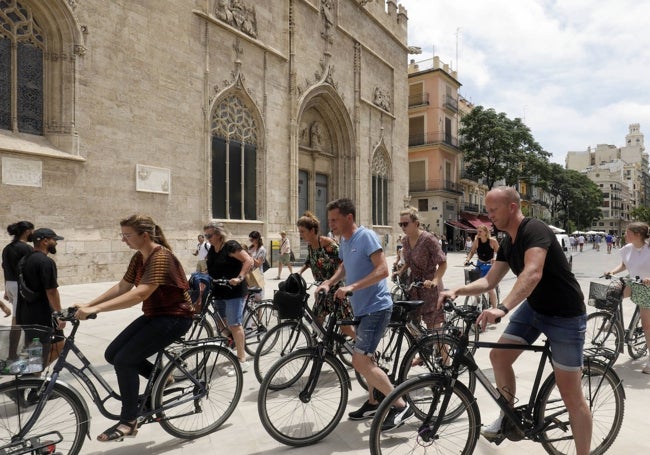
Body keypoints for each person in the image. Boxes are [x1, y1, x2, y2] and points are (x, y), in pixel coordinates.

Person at [439, 187, 591, 455]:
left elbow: (533, 273)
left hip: (565, 315)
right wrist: (457, 290)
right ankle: (508, 417)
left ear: (511, 207)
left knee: (571, 396)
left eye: (493, 210)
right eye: (487, 211)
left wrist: (503, 308)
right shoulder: (508, 241)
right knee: (499, 357)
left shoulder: (535, 230)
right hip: (535, 308)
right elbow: (490, 280)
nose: (489, 216)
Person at [75, 215, 193, 442]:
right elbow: (123, 286)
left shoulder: (161, 257)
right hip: (155, 315)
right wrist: (89, 304)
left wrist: (96, 309)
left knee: (125, 359)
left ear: (144, 235)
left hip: (175, 317)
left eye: (127, 235)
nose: (123, 240)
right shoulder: (139, 257)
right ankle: (161, 377)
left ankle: (129, 421)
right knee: (111, 354)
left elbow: (139, 294)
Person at [317, 198, 413, 431]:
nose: (330, 224)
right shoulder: (344, 240)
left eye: (334, 220)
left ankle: (401, 405)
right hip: (361, 308)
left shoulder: (366, 236)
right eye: (329, 220)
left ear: (349, 218)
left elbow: (383, 270)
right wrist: (329, 282)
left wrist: (351, 287)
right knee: (367, 359)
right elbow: (345, 266)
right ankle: (373, 402)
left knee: (359, 360)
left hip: (376, 307)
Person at [204, 222, 253, 373]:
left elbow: (248, 260)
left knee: (235, 324)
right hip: (218, 291)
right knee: (221, 325)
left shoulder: (230, 246)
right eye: (206, 235)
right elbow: (210, 268)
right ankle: (234, 342)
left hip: (234, 291)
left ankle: (241, 360)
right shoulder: (212, 249)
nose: (207, 239)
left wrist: (240, 277)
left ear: (219, 235)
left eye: (209, 235)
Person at [296, 211, 354, 339]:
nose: (300, 235)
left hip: (335, 290)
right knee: (316, 321)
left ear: (312, 230)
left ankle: (365, 349)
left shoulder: (328, 244)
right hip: (322, 291)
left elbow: (343, 262)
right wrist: (299, 272)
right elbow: (309, 260)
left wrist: (331, 281)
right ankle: (319, 349)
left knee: (345, 328)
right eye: (299, 232)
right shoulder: (311, 245)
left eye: (302, 231)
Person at [16, 228, 66, 366]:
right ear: (45, 241)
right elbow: (51, 291)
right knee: (59, 345)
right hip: (43, 315)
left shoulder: (25, 259)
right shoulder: (45, 262)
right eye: (54, 240)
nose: (55, 243)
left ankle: (30, 380)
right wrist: (59, 314)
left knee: (34, 350)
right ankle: (35, 378)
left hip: (26, 313)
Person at [604, 222, 650, 374]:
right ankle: (611, 321)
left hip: (647, 287)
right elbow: (623, 266)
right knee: (612, 293)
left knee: (647, 326)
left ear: (638, 235)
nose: (624, 235)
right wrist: (612, 271)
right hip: (633, 281)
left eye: (627, 233)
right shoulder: (627, 249)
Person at [393, 207, 447, 330]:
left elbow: (443, 263)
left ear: (416, 224)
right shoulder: (405, 240)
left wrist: (435, 281)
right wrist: (400, 271)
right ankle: (424, 349)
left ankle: (443, 348)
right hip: (414, 287)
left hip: (430, 287)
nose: (402, 227)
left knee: (433, 331)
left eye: (405, 224)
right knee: (411, 326)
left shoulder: (428, 239)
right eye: (400, 224)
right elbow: (409, 261)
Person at [2, 221, 34, 322]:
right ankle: (14, 338)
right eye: (32, 231)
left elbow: (4, 268)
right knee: (17, 319)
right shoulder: (27, 248)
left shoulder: (7, 248)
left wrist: (6, 289)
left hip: (10, 285)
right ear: (27, 231)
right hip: (19, 287)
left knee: (20, 316)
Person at [465, 224, 500, 308]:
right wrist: (467, 260)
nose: (478, 233)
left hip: (489, 265)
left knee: (490, 288)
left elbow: (500, 253)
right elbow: (472, 251)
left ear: (486, 232)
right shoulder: (477, 241)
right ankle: (478, 301)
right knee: (475, 285)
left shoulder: (492, 241)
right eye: (478, 231)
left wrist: (495, 258)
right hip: (480, 264)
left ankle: (495, 308)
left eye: (480, 231)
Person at [248, 230, 267, 301]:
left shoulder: (262, 250)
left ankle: (260, 312)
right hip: (249, 273)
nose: (251, 241)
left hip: (258, 274)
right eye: (250, 239)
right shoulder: (250, 248)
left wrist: (250, 256)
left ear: (257, 239)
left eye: (252, 239)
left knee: (258, 298)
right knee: (250, 297)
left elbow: (259, 263)